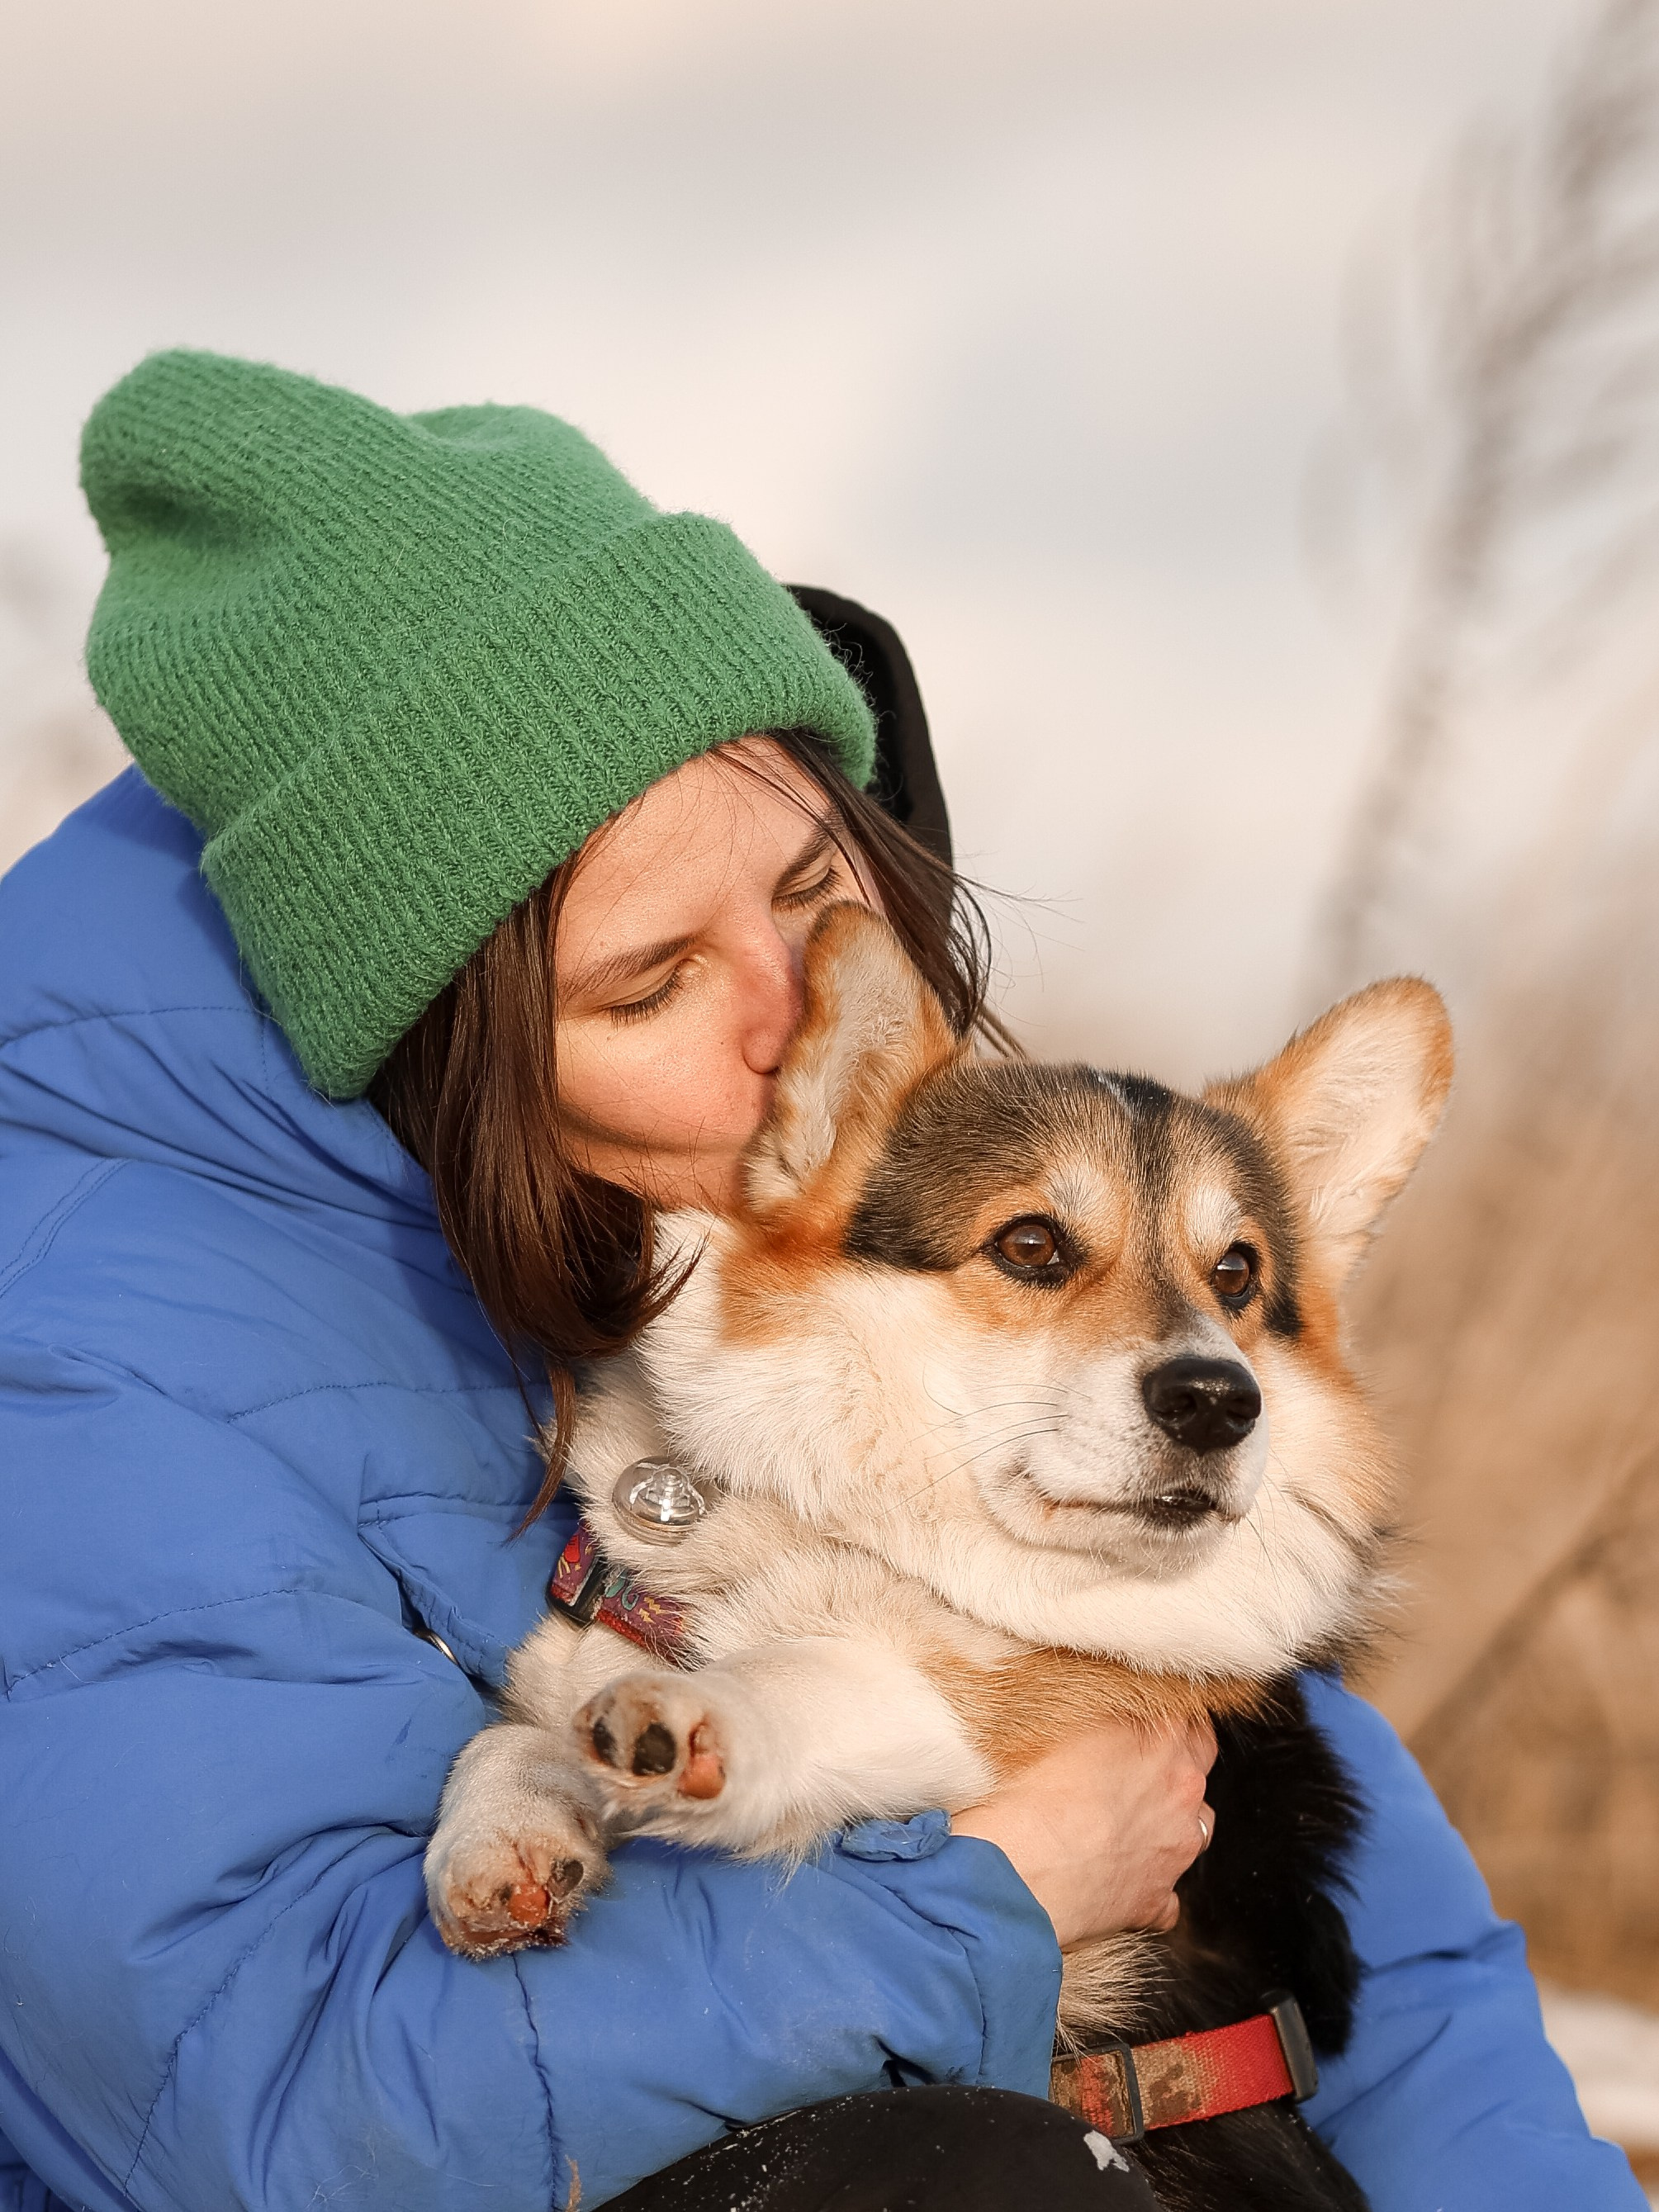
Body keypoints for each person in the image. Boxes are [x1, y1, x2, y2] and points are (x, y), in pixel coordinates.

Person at [0, 349, 1640, 2212]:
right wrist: (995, 1892)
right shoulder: (82, 1379)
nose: (803, 1032)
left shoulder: (760, 1217)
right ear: (442, 1047)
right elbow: (289, 2118)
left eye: (809, 895)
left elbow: (1391, 1963)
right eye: (650, 984)